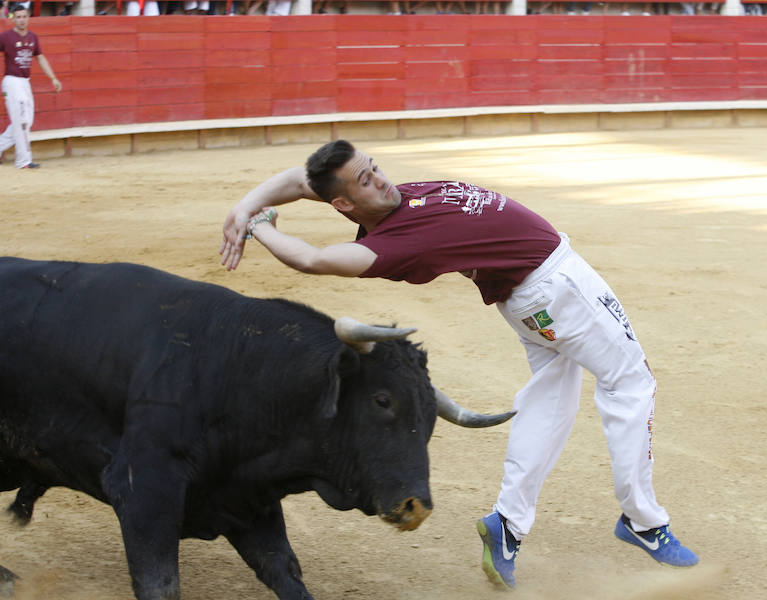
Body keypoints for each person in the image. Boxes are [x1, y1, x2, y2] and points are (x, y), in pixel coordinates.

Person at [219, 140, 699, 590]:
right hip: (558, 288)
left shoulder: (383, 202)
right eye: (365, 181)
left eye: (374, 167)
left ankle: (508, 523)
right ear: (344, 204)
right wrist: (261, 227)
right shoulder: (393, 245)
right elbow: (313, 259)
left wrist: (244, 208)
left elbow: (299, 180)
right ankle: (643, 520)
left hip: (531, 298)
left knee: (551, 400)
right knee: (631, 384)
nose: (381, 180)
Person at [0, 3, 62, 169]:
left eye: (24, 16)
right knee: (22, 121)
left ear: (28, 18)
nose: (21, 20)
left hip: (25, 82)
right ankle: (23, 160)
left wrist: (53, 78)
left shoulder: (33, 37)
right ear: (13, 19)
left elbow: (40, 58)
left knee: (26, 121)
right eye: (18, 17)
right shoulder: (5, 37)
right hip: (12, 82)